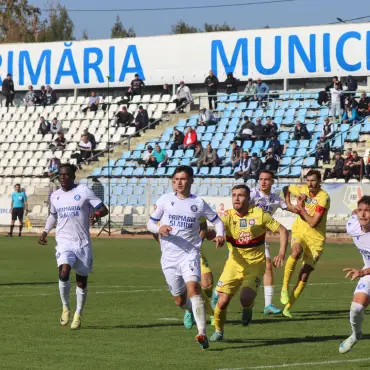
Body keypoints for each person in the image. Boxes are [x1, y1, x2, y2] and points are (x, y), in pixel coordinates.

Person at [146, 165, 225, 349]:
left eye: (182, 179)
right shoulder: (165, 200)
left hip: (189, 254)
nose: (179, 182)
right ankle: (191, 310)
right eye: (176, 179)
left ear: (191, 180)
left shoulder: (198, 202)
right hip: (169, 258)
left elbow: (217, 221)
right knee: (180, 300)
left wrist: (220, 234)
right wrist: (159, 228)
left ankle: (202, 334)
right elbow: (150, 223)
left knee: (194, 289)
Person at [209, 184, 288, 342]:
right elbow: (217, 229)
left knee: (245, 298)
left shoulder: (259, 215)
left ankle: (248, 307)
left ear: (248, 198)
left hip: (254, 266)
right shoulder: (228, 216)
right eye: (234, 195)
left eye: (241, 195)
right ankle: (219, 330)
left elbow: (283, 230)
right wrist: (217, 235)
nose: (236, 198)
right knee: (222, 301)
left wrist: (281, 253)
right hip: (234, 264)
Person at [38, 164, 108, 330]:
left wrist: (96, 214)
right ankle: (65, 307)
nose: (63, 178)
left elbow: (104, 209)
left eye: (66, 175)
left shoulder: (84, 191)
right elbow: (53, 216)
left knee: (81, 282)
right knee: (64, 271)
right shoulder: (55, 196)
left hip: (82, 243)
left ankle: (78, 313)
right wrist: (44, 232)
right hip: (63, 241)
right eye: (61, 176)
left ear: (73, 177)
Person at [281, 170, 330, 317]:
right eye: (308, 180)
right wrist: (289, 204)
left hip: (316, 240)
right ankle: (284, 288)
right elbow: (286, 188)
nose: (310, 184)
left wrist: (300, 208)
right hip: (300, 232)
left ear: (320, 181)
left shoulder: (324, 198)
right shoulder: (302, 189)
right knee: (296, 251)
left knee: (304, 275)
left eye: (313, 181)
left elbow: (314, 223)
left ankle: (287, 307)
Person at [250, 171, 298, 315]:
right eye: (261, 179)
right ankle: (217, 293)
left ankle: (268, 305)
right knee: (236, 273)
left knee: (268, 266)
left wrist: (290, 197)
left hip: (259, 239)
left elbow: (292, 209)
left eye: (267, 179)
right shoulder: (252, 194)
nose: (263, 182)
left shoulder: (275, 199)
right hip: (242, 237)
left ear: (272, 182)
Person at [339, 196, 370, 353]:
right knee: (356, 308)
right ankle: (356, 335)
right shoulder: (352, 225)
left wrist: (362, 272)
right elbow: (354, 213)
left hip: (366, 271)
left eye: (367, 211)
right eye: (361, 210)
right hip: (368, 271)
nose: (363, 215)